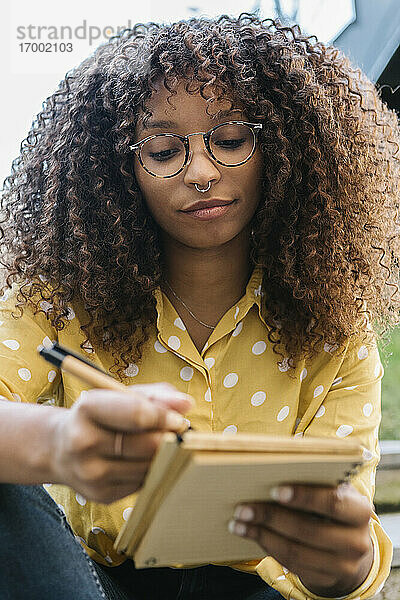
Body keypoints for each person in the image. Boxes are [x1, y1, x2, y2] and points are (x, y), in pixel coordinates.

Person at [0, 13, 399, 600]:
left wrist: (347, 565)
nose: (203, 172)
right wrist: (54, 443)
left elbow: (351, 529)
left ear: (287, 150)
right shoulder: (58, 302)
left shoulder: (335, 331)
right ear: (117, 169)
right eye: (163, 150)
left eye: (232, 141)